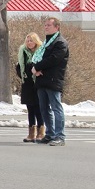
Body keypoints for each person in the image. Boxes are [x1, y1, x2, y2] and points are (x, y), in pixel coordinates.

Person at [31, 17, 69, 146]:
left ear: (57, 27)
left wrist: (38, 67)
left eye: (49, 25)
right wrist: (35, 68)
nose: (46, 27)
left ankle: (60, 136)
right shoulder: (46, 43)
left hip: (53, 80)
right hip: (42, 80)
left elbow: (54, 59)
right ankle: (50, 134)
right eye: (45, 25)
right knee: (44, 108)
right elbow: (37, 58)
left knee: (56, 108)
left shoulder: (60, 43)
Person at [16, 32, 45, 142]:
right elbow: (19, 67)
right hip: (27, 83)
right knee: (30, 109)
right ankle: (31, 134)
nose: (29, 43)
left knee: (39, 108)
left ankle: (41, 132)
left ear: (36, 41)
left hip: (38, 83)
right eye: (27, 41)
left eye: (31, 40)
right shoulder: (22, 51)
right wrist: (23, 74)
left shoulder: (41, 51)